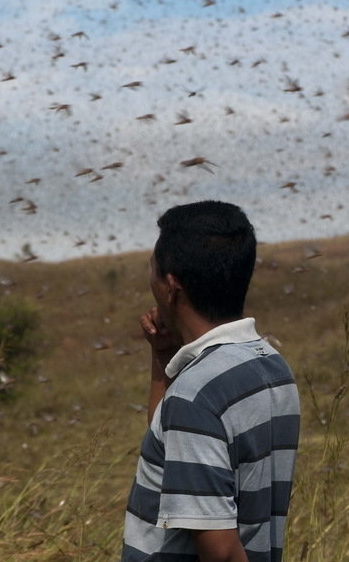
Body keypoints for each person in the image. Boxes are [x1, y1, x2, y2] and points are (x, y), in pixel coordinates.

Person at [122, 201, 300, 562]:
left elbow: (220, 553)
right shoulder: (271, 367)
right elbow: (176, 448)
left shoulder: (196, 396)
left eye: (154, 271)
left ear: (171, 287)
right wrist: (162, 359)